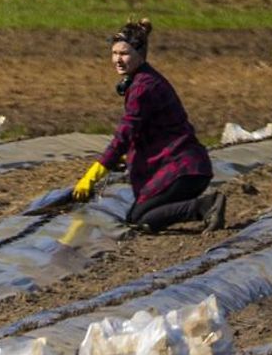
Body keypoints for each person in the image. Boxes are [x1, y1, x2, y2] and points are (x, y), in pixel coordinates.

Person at [71, 19, 226, 233]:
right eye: (114, 53)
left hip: (183, 169)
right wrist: (128, 158)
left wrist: (95, 173)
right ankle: (202, 207)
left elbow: (125, 134)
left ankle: (204, 206)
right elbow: (153, 131)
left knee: (140, 220)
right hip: (183, 167)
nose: (118, 59)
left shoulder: (144, 87)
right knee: (138, 216)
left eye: (124, 53)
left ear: (140, 54)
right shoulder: (141, 81)